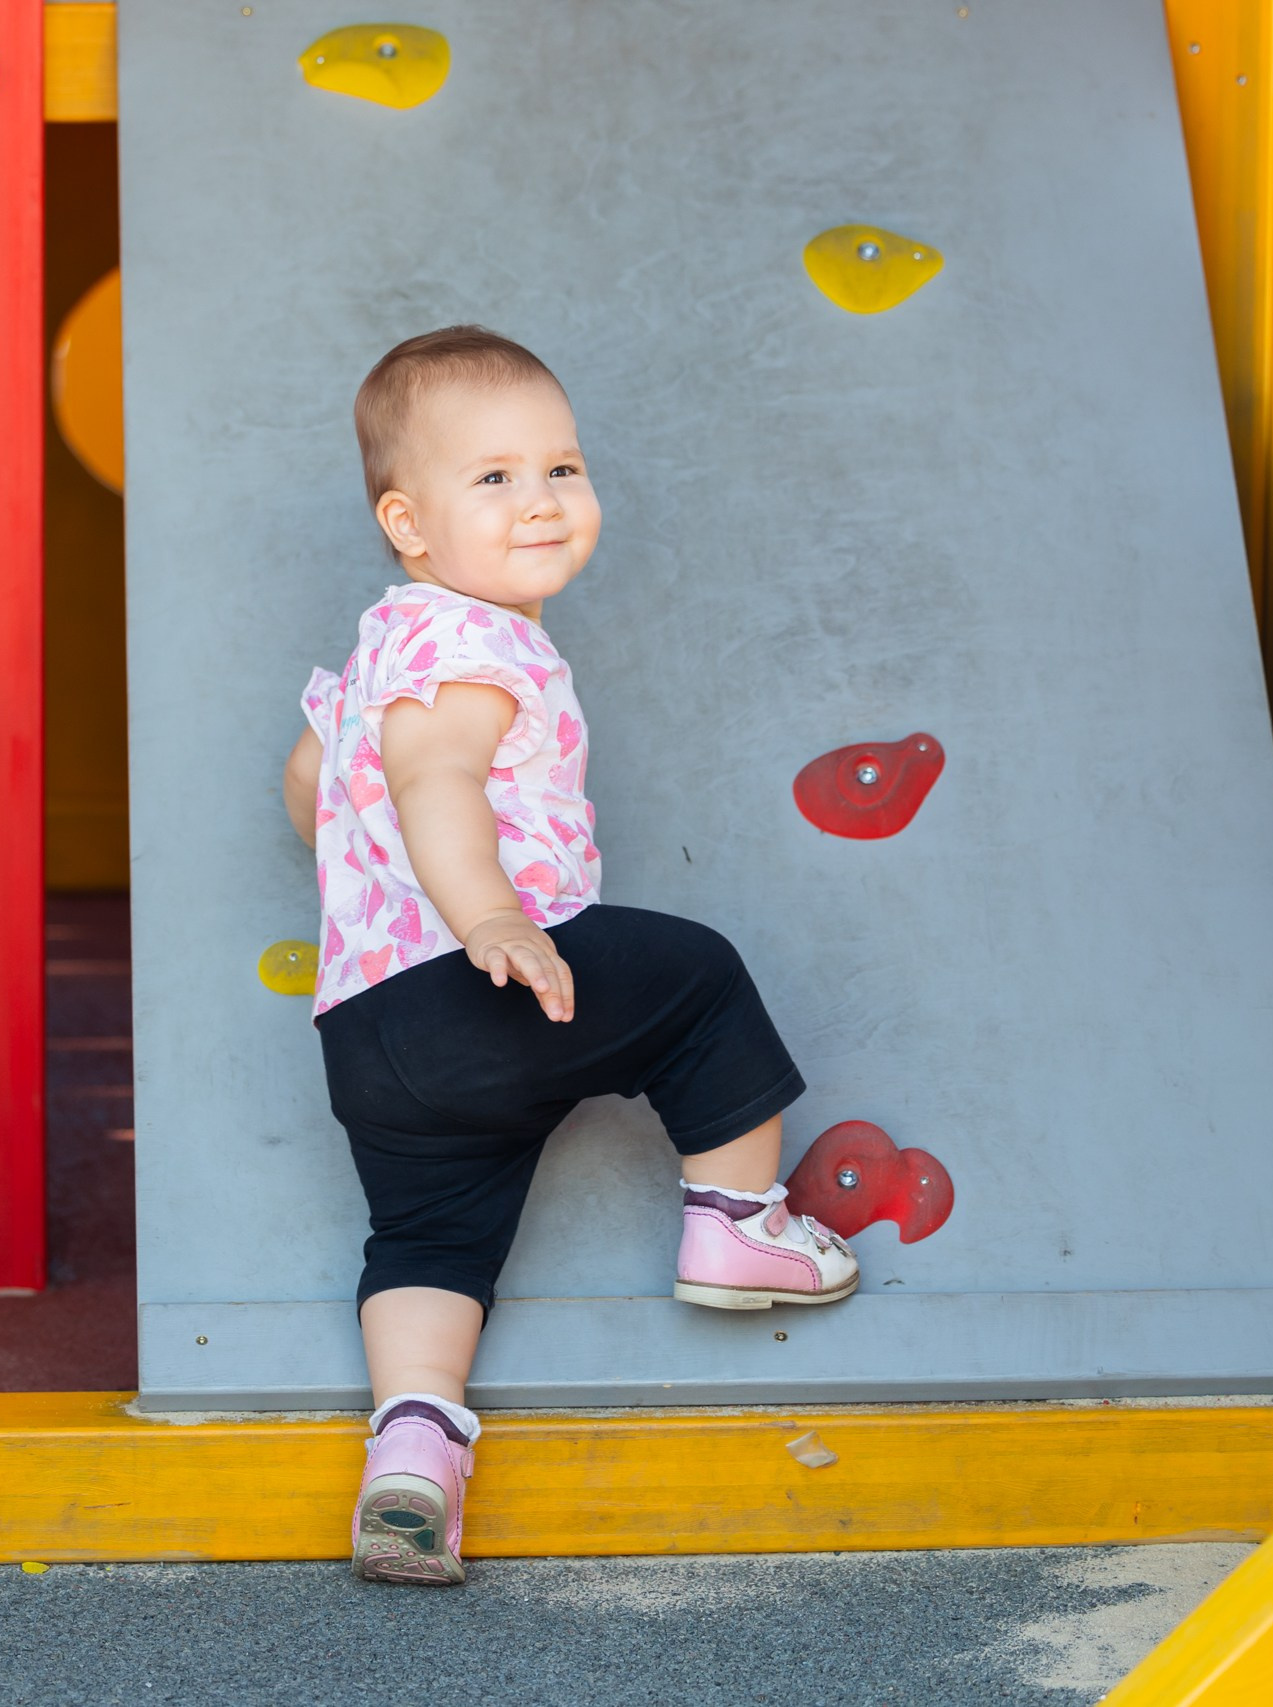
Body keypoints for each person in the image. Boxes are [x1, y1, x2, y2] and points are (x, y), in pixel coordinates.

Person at [284, 326, 858, 1586]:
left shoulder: (379, 651)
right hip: (481, 978)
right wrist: (488, 917)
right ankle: (735, 1223)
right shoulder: (478, 646)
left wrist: (364, 870)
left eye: (562, 467)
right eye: (492, 479)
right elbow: (437, 782)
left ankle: (412, 1450)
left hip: (365, 1032)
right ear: (409, 521)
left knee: (430, 1242)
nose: (540, 499)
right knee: (697, 975)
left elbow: (309, 784)